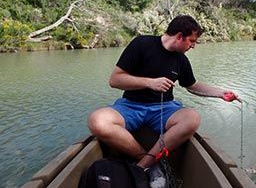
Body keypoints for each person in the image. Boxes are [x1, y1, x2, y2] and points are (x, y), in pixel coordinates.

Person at [88, 15, 241, 170]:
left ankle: (141, 167)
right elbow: (115, 80)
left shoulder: (181, 60)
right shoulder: (141, 44)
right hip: (130, 106)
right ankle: (144, 158)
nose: (194, 46)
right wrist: (150, 82)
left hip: (163, 109)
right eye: (192, 41)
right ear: (180, 36)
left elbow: (192, 85)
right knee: (98, 121)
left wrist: (220, 93)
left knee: (192, 118)